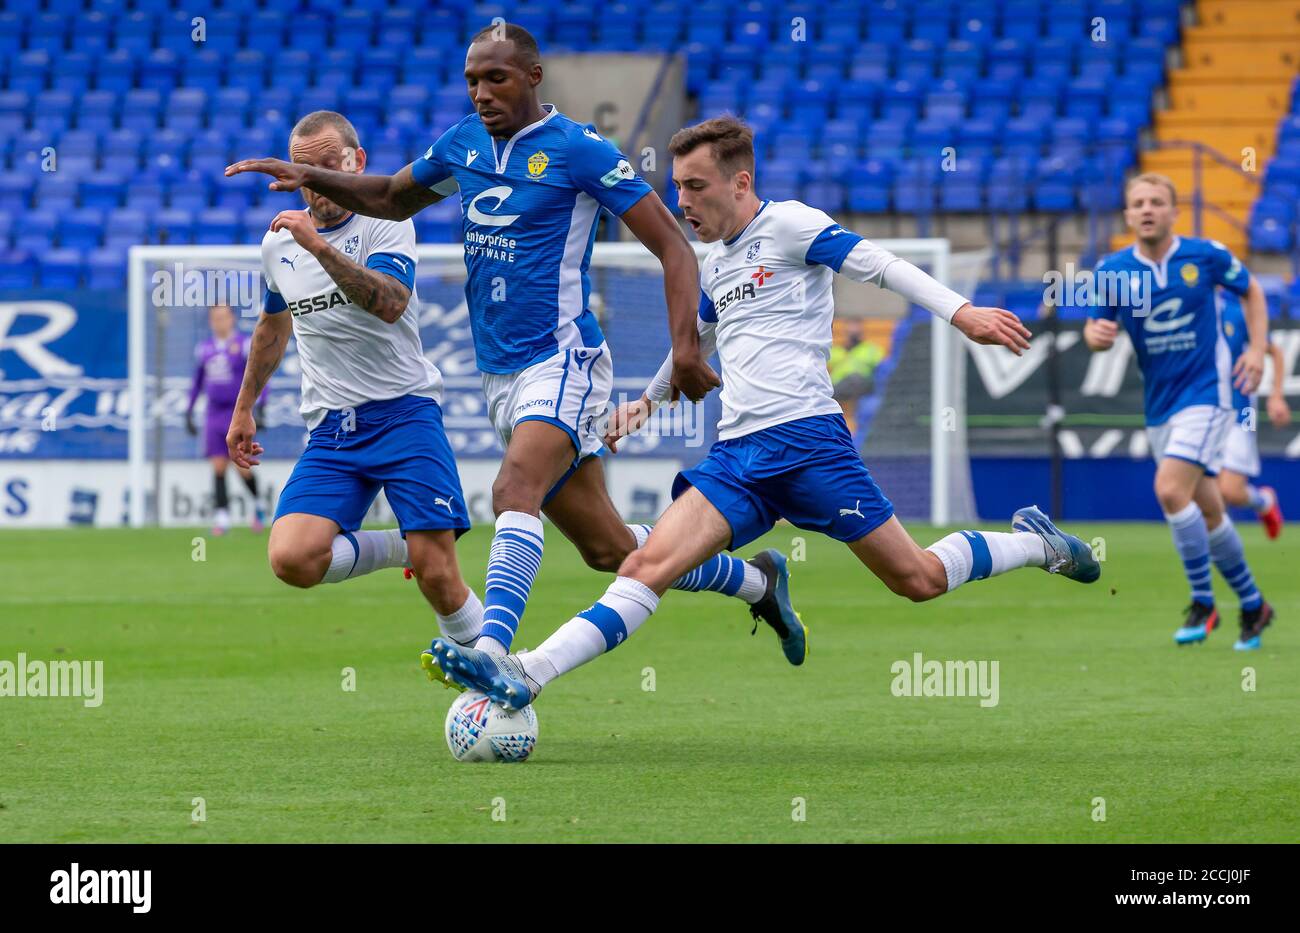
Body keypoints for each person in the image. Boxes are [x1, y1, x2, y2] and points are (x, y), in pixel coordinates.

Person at [428, 115, 1101, 710]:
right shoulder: (715, 263)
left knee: (918, 578)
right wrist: (645, 402)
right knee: (642, 567)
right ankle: (525, 672)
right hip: (739, 458)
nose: (682, 201)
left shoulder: (791, 224)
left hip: (811, 445)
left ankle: (1034, 542)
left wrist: (964, 313)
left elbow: (882, 265)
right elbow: (699, 338)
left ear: (740, 182)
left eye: (696, 186)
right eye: (679, 188)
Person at [226, 28, 805, 678]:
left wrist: (685, 347)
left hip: (565, 357)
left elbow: (673, 246)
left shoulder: (578, 150)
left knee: (512, 491)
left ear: (532, 76)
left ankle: (496, 657)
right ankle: (756, 582)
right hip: (501, 374)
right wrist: (310, 173)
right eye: (472, 79)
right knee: (609, 547)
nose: (481, 93)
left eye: (495, 78)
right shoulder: (463, 145)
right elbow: (390, 193)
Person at [226, 110, 481, 674]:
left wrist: (318, 246)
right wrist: (245, 407)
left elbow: (390, 304)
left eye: (327, 167)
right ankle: (396, 548)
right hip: (333, 429)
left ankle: (496, 673)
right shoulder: (278, 245)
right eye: (304, 171)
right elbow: (273, 325)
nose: (315, 183)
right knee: (292, 560)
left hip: (405, 414)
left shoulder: (386, 222)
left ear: (356, 163)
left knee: (439, 576)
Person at [1084, 173, 1274, 650]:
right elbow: (1096, 328)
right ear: (1127, 215)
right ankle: (1253, 605)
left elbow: (1252, 291)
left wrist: (1254, 349)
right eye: (1138, 203)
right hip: (1160, 406)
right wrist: (1097, 337)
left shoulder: (1205, 255)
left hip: (1209, 394)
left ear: (1173, 211)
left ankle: (1203, 601)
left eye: (1156, 202)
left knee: (1169, 490)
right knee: (1209, 510)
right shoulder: (1111, 271)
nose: (1146, 209)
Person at [186, 303, 267, 535]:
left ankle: (258, 506)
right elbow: (197, 382)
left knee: (242, 467)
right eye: (215, 318)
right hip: (213, 413)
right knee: (218, 465)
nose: (219, 322)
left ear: (231, 319)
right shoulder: (205, 349)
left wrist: (260, 407)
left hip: (237, 413)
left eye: (223, 317)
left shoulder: (243, 345)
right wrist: (189, 411)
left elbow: (260, 375)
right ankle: (222, 518)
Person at [1215, 289, 1288, 539]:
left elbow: (1275, 352)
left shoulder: (1236, 313)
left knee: (1231, 491)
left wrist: (1276, 396)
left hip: (1243, 411)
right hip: (1205, 411)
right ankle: (1217, 545)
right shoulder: (1191, 314)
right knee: (1209, 491)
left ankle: (1264, 502)